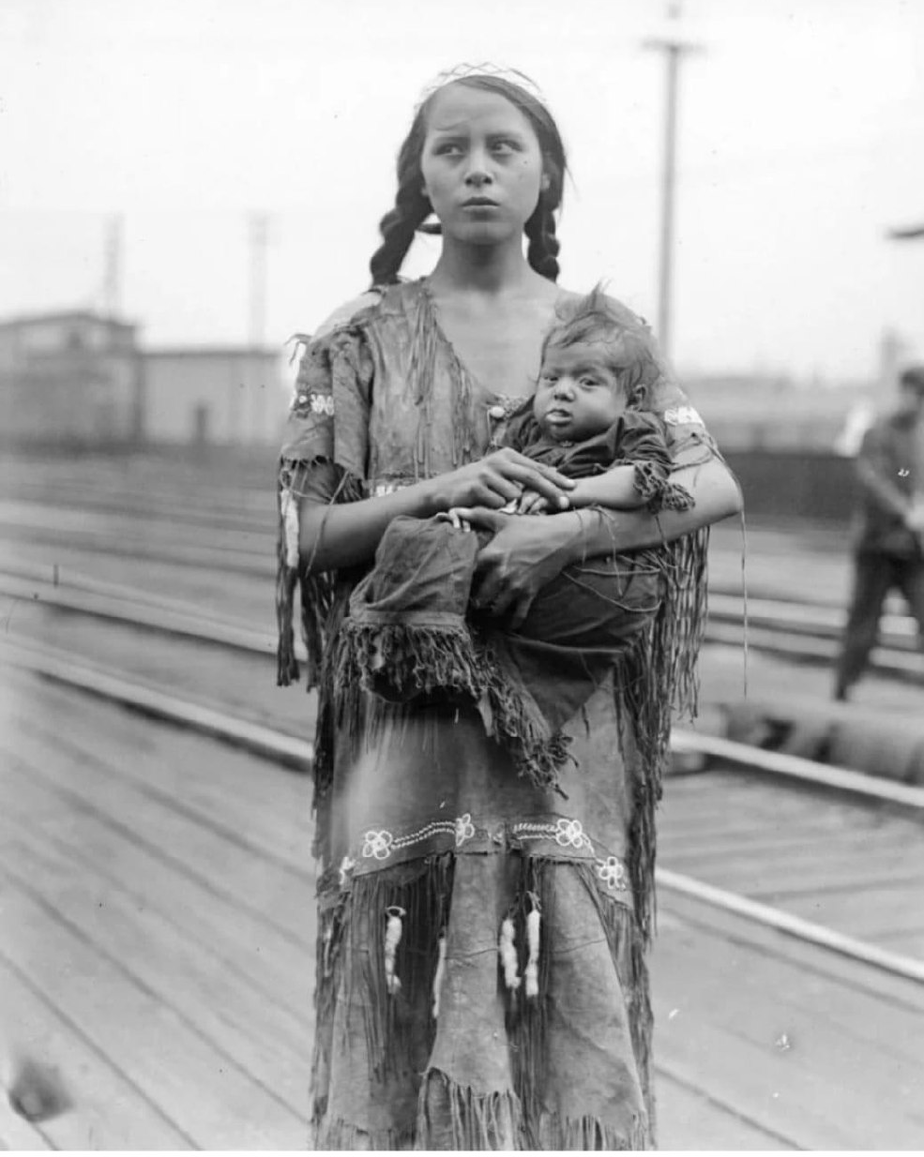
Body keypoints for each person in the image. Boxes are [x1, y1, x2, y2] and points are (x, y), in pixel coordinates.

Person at [275, 63, 742, 1150]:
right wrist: (437, 491)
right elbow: (306, 530)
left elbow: (708, 481)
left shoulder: (602, 335)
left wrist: (571, 530)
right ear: (420, 178)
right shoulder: (361, 336)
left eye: (504, 148)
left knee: (569, 960)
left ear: (547, 177)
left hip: (566, 725)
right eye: (452, 148)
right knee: (402, 964)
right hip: (408, 717)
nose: (478, 167)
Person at [337, 285, 698, 796]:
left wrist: (567, 495)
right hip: (519, 543)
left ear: (628, 400)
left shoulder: (631, 431)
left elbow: (642, 482)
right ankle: (419, 649)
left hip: (591, 566)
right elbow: (503, 494)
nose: (563, 391)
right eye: (552, 378)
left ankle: (463, 668)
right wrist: (468, 512)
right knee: (414, 536)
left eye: (587, 381)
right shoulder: (530, 435)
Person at [833, 364, 924, 702]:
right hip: (877, 546)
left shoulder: (919, 435)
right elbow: (873, 477)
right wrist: (906, 509)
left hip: (913, 550)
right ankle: (843, 687)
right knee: (864, 625)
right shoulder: (879, 433)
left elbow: (911, 474)